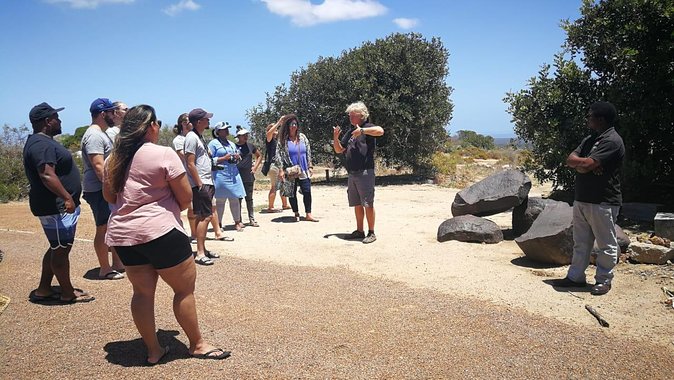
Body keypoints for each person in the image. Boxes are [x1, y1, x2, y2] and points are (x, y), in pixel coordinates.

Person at [102, 104, 230, 365]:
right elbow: (185, 199)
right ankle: (197, 344)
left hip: (125, 237)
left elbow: (108, 196)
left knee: (142, 293)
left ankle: (153, 350)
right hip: (161, 232)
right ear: (151, 126)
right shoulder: (163, 154)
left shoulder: (112, 159)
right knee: (184, 290)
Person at [23, 102, 95, 304]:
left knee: (57, 247)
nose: (60, 120)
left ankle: (44, 288)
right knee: (61, 249)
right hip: (55, 207)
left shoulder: (43, 142)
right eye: (57, 117)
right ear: (48, 121)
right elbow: (46, 174)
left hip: (56, 206)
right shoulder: (41, 144)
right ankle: (67, 292)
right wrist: (66, 197)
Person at [552, 101, 625, 296]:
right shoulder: (590, 139)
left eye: (590, 116)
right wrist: (583, 165)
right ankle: (575, 277)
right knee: (581, 241)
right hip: (583, 198)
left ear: (600, 119)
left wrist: (585, 164)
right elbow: (571, 159)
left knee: (605, 243)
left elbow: (587, 163)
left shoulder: (612, 140)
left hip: (603, 201)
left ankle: (604, 280)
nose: (588, 119)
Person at [81, 97, 125, 279]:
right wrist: (112, 189)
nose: (113, 115)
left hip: (104, 188)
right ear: (102, 114)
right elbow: (99, 166)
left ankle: (117, 263)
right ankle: (105, 268)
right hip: (99, 190)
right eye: (110, 112)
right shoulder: (94, 136)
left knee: (111, 226)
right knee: (103, 227)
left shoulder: (102, 133)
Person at [332, 101, 384, 244]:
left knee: (368, 203)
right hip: (352, 172)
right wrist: (336, 137)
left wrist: (362, 131)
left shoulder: (367, 127)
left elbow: (380, 131)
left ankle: (371, 232)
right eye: (349, 114)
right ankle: (359, 231)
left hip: (365, 171)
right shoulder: (349, 131)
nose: (350, 116)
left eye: (352, 114)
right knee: (356, 203)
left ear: (361, 115)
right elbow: (339, 149)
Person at [184, 108, 219, 265]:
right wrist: (199, 184)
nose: (208, 121)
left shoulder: (199, 137)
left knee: (201, 215)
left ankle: (202, 249)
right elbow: (190, 163)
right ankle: (199, 253)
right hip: (201, 182)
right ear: (199, 121)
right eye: (206, 119)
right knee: (206, 216)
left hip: (206, 181)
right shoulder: (191, 137)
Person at [275, 114, 318, 222]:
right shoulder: (283, 140)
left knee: (307, 191)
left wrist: (310, 165)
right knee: (291, 192)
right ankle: (296, 212)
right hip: (290, 170)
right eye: (291, 124)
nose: (294, 126)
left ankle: (308, 214)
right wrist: (280, 170)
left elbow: (308, 151)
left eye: (295, 124)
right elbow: (278, 155)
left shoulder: (302, 137)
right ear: (287, 126)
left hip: (303, 169)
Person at [208, 122, 246, 231]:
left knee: (235, 199)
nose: (227, 130)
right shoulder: (213, 144)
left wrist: (237, 157)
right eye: (224, 129)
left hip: (233, 174)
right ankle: (218, 224)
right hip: (220, 175)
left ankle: (237, 222)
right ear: (218, 132)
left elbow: (238, 157)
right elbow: (209, 160)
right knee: (220, 200)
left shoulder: (231, 143)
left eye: (227, 128)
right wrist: (223, 158)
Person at [172, 113, 197, 242]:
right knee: (189, 205)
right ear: (182, 123)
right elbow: (185, 157)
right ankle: (191, 233)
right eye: (188, 121)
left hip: (194, 175)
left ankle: (195, 233)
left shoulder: (194, 137)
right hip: (185, 176)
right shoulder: (178, 140)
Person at [235, 126, 262, 227]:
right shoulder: (234, 146)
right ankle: (239, 220)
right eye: (243, 135)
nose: (246, 137)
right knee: (238, 199)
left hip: (248, 176)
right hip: (237, 176)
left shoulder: (251, 146)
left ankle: (252, 219)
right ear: (239, 136)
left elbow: (259, 155)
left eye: (246, 135)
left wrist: (255, 167)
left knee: (249, 198)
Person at [264, 121, 290, 212]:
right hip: (274, 165)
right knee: (274, 186)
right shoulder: (269, 140)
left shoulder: (277, 141)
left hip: (280, 166)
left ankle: (285, 204)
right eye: (274, 128)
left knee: (283, 185)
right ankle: (270, 207)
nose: (276, 130)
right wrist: (279, 122)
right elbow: (269, 133)